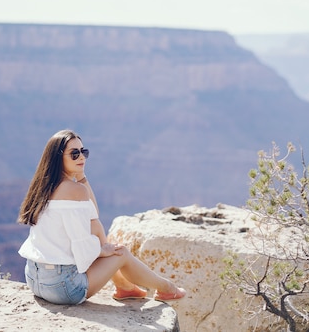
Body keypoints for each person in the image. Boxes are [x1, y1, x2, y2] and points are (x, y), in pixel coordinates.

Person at [18, 129, 186, 306]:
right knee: (121, 253)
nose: (81, 157)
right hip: (63, 288)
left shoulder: (42, 188)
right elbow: (88, 230)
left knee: (96, 228)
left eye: (84, 152)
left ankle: (125, 287)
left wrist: (79, 175)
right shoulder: (76, 190)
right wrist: (102, 250)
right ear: (58, 158)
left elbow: (92, 220)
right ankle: (167, 288)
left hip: (34, 280)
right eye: (74, 154)